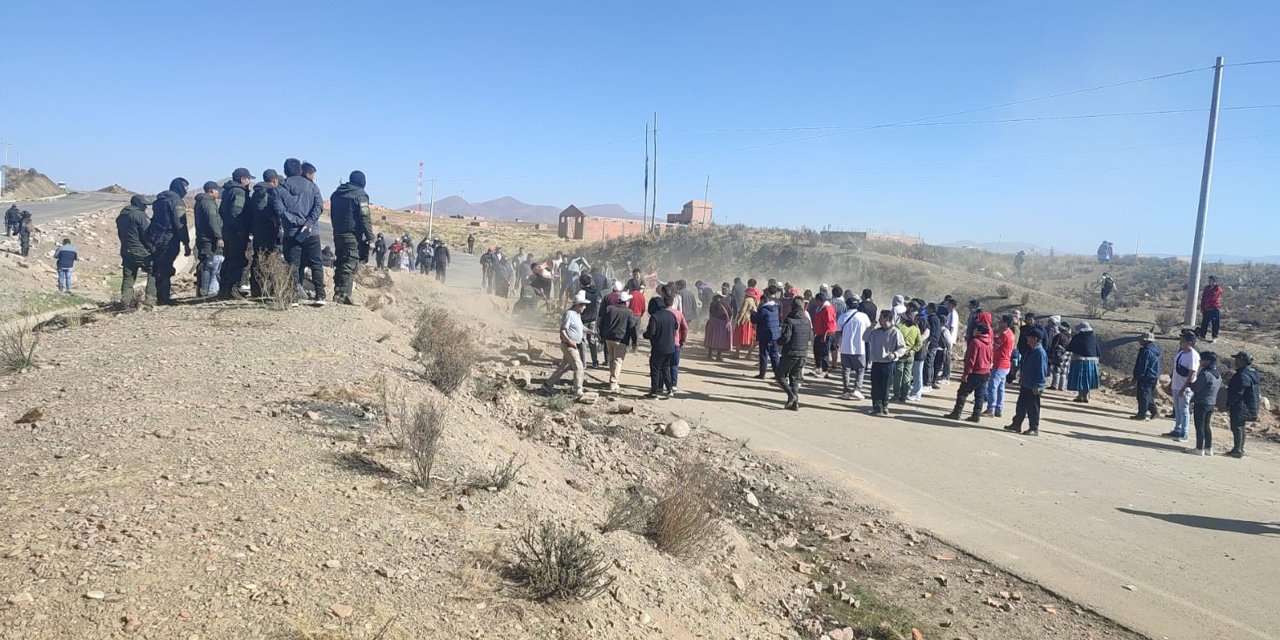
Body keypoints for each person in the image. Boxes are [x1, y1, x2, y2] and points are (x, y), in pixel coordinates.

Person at [272, 158, 326, 305]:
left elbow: (280, 211)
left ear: (284, 171)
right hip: (311, 231)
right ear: (301, 170)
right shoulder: (312, 187)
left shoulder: (279, 189)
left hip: (291, 232)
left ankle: (293, 296)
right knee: (316, 263)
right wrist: (308, 223)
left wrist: (296, 222)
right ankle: (320, 295)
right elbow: (318, 206)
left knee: (293, 264)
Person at [329, 171, 374, 305]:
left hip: (338, 233)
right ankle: (344, 295)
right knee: (350, 263)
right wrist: (370, 238)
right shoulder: (360, 195)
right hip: (352, 235)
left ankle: (338, 292)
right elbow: (365, 217)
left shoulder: (337, 194)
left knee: (340, 262)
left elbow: (332, 214)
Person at [145, 178, 191, 305]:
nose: (186, 191)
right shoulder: (176, 201)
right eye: (185, 188)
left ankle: (153, 296)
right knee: (165, 268)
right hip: (169, 238)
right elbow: (180, 224)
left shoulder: (159, 201)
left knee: (157, 267)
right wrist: (186, 242)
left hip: (156, 237)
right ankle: (163, 298)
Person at [217, 168, 255, 300]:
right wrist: (241, 228)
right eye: (248, 179)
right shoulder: (239, 192)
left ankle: (224, 290)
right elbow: (236, 212)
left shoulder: (228, 191)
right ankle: (232, 290)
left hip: (228, 231)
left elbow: (222, 211)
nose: (249, 182)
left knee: (228, 260)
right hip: (236, 233)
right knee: (236, 261)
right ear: (243, 179)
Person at [543, 291, 590, 397]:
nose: (584, 308)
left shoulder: (577, 315)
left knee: (565, 367)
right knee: (579, 366)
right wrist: (569, 341)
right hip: (569, 345)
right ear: (577, 305)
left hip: (573, 345)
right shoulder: (569, 314)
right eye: (583, 305)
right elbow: (563, 330)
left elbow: (581, 327)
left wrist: (593, 333)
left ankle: (548, 384)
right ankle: (578, 389)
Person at [945, 321, 993, 422]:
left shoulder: (976, 342)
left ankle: (957, 412)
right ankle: (976, 415)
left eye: (975, 329)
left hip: (975, 371)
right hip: (985, 372)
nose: (973, 331)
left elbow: (971, 359)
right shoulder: (989, 342)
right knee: (979, 395)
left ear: (979, 331)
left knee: (963, 392)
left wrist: (966, 373)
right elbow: (990, 358)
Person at [773, 297, 813, 411]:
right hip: (803, 354)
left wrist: (778, 341)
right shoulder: (807, 321)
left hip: (790, 353)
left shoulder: (790, 320)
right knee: (795, 378)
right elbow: (809, 337)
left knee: (780, 375)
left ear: (793, 307)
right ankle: (795, 404)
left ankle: (791, 395)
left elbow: (786, 338)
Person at [1004, 331, 1048, 435]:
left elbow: (1042, 370)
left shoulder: (1039, 353)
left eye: (1029, 337)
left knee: (1033, 408)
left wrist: (1039, 385)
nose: (1027, 339)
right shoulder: (1030, 350)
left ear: (1035, 339)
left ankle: (1034, 427)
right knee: (1021, 405)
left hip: (1033, 385)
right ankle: (1016, 424)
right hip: (1025, 383)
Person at [248, 169, 283, 298]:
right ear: (274, 180)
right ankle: (266, 290)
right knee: (268, 259)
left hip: (259, 230)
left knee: (260, 258)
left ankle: (258, 290)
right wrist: (273, 218)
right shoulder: (267, 191)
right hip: (266, 231)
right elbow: (261, 207)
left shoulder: (258, 191)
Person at [866, 309, 906, 416]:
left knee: (886, 386)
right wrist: (871, 327)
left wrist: (895, 354)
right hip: (876, 362)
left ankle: (884, 406)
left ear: (887, 319)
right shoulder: (876, 332)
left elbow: (902, 348)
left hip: (888, 364)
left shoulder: (895, 332)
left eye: (881, 318)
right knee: (875, 386)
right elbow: (865, 337)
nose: (879, 320)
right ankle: (877, 407)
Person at [115, 195, 154, 302]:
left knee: (129, 276)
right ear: (139, 204)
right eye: (144, 205)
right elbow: (146, 235)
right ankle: (151, 301)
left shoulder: (121, 216)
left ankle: (126, 302)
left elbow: (120, 235)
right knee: (154, 270)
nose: (146, 207)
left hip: (125, 249)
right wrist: (152, 248)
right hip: (139, 249)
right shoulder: (139, 215)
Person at [1165, 331, 1200, 442]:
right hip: (1176, 385)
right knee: (1178, 409)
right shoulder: (1181, 353)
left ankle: (1184, 433)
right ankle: (1177, 429)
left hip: (1184, 388)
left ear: (1189, 342)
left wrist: (1184, 388)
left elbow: (1192, 373)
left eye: (1183, 340)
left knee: (1184, 410)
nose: (1180, 342)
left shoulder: (1193, 355)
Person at [1225, 351, 1261, 458]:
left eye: (1237, 359)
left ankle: (1238, 450)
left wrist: (1230, 403)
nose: (1235, 361)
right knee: (1240, 427)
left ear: (1243, 361)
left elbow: (1238, 392)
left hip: (1241, 406)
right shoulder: (1251, 374)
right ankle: (1239, 448)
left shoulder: (1242, 375)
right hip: (1247, 405)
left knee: (1237, 427)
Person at [599, 291, 636, 392]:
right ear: (626, 301)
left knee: (611, 359)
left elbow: (602, 323)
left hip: (608, 338)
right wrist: (634, 341)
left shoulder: (609, 309)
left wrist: (602, 335)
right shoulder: (628, 312)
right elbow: (632, 328)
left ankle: (613, 379)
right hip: (621, 340)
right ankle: (613, 382)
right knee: (618, 361)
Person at [644, 295, 677, 399]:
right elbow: (676, 326)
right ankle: (669, 389)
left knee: (655, 369)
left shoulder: (655, 317)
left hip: (659, 348)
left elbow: (651, 332)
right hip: (671, 348)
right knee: (666, 368)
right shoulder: (671, 315)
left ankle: (654, 392)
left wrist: (645, 335)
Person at [1189, 352, 1222, 455]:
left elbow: (1196, 388)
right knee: (1207, 426)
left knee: (1199, 426)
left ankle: (1199, 448)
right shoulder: (1217, 374)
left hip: (1201, 402)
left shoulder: (1205, 374)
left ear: (1208, 361)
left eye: (1202, 360)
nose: (1200, 362)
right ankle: (1208, 447)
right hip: (1211, 403)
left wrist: (1191, 383)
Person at [193, 181, 222, 297]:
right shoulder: (208, 203)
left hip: (202, 236)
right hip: (208, 238)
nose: (218, 193)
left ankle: (202, 290)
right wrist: (219, 236)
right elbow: (212, 220)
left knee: (204, 262)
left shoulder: (200, 202)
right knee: (208, 263)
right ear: (211, 191)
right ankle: (204, 291)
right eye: (217, 190)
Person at [986, 315, 1015, 418]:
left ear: (1006, 323)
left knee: (992, 386)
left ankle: (991, 409)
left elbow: (995, 346)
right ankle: (999, 408)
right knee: (1000, 387)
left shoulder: (1004, 335)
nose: (999, 323)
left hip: (1000, 364)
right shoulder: (1011, 334)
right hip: (1005, 364)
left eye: (1002, 321)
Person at [892, 305, 921, 403]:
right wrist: (913, 350)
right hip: (910, 355)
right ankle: (903, 396)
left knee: (898, 376)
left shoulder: (898, 327)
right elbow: (919, 343)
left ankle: (896, 395)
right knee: (907, 376)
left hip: (900, 354)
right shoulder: (916, 329)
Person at [665, 285, 691, 393]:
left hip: (664, 343)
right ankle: (674, 384)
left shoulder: (662, 313)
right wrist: (682, 340)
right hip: (676, 342)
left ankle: (663, 386)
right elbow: (685, 328)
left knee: (664, 365)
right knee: (674, 365)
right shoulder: (679, 314)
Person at [1066, 322, 1101, 403]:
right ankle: (1086, 396)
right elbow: (1097, 351)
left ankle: (1080, 396)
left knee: (1081, 379)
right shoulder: (1092, 337)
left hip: (1080, 361)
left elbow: (1071, 348)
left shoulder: (1077, 337)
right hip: (1092, 361)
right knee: (1088, 379)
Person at [1131, 332, 1162, 421]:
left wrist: (1137, 376)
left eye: (1141, 340)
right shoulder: (1156, 350)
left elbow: (1142, 365)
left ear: (1146, 341)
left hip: (1145, 376)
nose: (1140, 341)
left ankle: (1142, 414)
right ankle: (1154, 412)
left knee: (1143, 395)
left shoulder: (1146, 351)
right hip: (1154, 376)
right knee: (1148, 395)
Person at [752, 288, 782, 378]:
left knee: (763, 354)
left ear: (763, 300)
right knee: (774, 355)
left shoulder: (763, 309)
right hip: (775, 335)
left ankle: (762, 374)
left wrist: (752, 313)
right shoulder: (776, 308)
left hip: (765, 335)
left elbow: (754, 320)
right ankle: (777, 374)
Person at [811, 292, 837, 375]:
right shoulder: (821, 308)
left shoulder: (827, 309)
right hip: (819, 334)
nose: (815, 303)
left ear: (819, 301)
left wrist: (825, 334)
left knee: (824, 352)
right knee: (817, 350)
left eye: (816, 301)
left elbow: (829, 323)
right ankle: (818, 367)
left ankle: (825, 370)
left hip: (825, 334)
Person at [704, 294, 733, 361]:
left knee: (712, 338)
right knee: (720, 340)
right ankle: (718, 356)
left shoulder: (712, 304)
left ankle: (709, 354)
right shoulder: (726, 304)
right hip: (722, 324)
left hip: (713, 322)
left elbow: (711, 312)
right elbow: (730, 313)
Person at [732, 287, 758, 357]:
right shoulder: (754, 300)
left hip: (744, 321)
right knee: (751, 338)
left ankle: (737, 353)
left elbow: (743, 311)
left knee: (739, 337)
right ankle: (749, 354)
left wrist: (738, 320)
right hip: (751, 321)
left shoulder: (747, 300)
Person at [1196, 275, 1223, 342]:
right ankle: (1202, 336)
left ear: (1214, 281)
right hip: (1206, 308)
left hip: (1214, 308)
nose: (1209, 281)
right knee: (1204, 323)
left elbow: (1213, 297)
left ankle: (1214, 337)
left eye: (1210, 280)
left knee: (1215, 324)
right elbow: (1203, 298)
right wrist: (1202, 307)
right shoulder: (1206, 288)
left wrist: (1208, 302)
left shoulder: (1218, 288)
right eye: (1209, 280)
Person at [1049, 322, 1072, 391]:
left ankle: (1054, 385)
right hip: (1067, 355)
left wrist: (1050, 355)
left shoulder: (1058, 336)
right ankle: (1061, 387)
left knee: (1056, 370)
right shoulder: (1069, 337)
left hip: (1058, 355)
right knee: (1063, 371)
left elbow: (1053, 346)